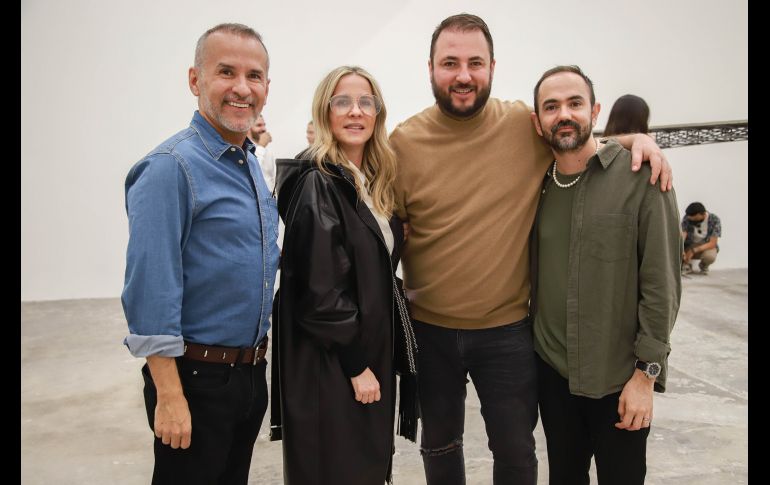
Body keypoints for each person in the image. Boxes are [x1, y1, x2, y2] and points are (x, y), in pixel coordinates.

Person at [389, 13, 672, 485]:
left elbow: (576, 138)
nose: (463, 75)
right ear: (431, 68)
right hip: (430, 330)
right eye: (450, 63)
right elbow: (385, 226)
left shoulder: (523, 126)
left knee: (516, 451)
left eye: (475, 62)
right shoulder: (403, 142)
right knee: (439, 444)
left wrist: (636, 140)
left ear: (493, 66)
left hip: (507, 333)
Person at [121, 23, 280, 484]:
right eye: (225, 72)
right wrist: (169, 395)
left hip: (248, 376)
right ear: (195, 80)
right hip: (193, 381)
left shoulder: (248, 161)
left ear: (267, 88)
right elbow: (152, 289)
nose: (241, 88)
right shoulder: (170, 168)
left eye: (254, 76)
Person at [529, 65, 681, 485]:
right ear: (537, 120)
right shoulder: (535, 182)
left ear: (594, 110)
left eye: (575, 103)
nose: (564, 114)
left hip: (618, 378)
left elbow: (662, 286)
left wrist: (645, 377)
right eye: (551, 106)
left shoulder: (641, 179)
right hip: (553, 374)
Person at [269, 65, 418, 485]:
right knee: (336, 470)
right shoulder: (319, 182)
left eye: (365, 102)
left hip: (365, 357)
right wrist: (356, 366)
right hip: (333, 365)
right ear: (325, 112)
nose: (356, 112)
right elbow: (319, 291)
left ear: (377, 114)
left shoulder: (368, 183)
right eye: (343, 102)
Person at [681, 201, 721, 275]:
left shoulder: (714, 219)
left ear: (702, 214)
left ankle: (703, 265)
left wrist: (693, 251)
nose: (691, 220)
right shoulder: (687, 218)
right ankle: (686, 265)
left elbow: (713, 243)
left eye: (694, 219)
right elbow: (683, 235)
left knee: (710, 257)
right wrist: (681, 248)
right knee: (676, 250)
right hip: (690, 244)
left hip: (706, 245)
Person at [249, 114, 277, 192]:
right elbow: (252, 171)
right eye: (259, 125)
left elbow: (272, 179)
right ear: (248, 128)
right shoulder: (244, 148)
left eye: (264, 125)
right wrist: (261, 146)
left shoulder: (267, 151)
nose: (264, 129)